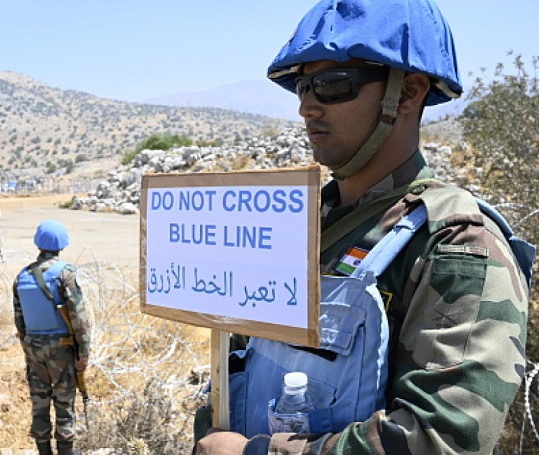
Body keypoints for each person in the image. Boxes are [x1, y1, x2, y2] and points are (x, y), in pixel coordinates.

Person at [195, 1, 534, 454]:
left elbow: (441, 439)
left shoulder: (456, 244)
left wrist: (254, 452)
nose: (307, 107)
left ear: (409, 92)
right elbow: (242, 356)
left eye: (333, 85)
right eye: (301, 87)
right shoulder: (291, 226)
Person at [13, 220, 90, 455]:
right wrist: (84, 351)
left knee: (40, 402)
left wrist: (30, 346)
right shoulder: (65, 274)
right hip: (62, 348)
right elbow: (78, 316)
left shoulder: (22, 276)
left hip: (33, 347)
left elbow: (19, 319)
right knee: (64, 402)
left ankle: (43, 450)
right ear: (63, 244)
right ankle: (66, 451)